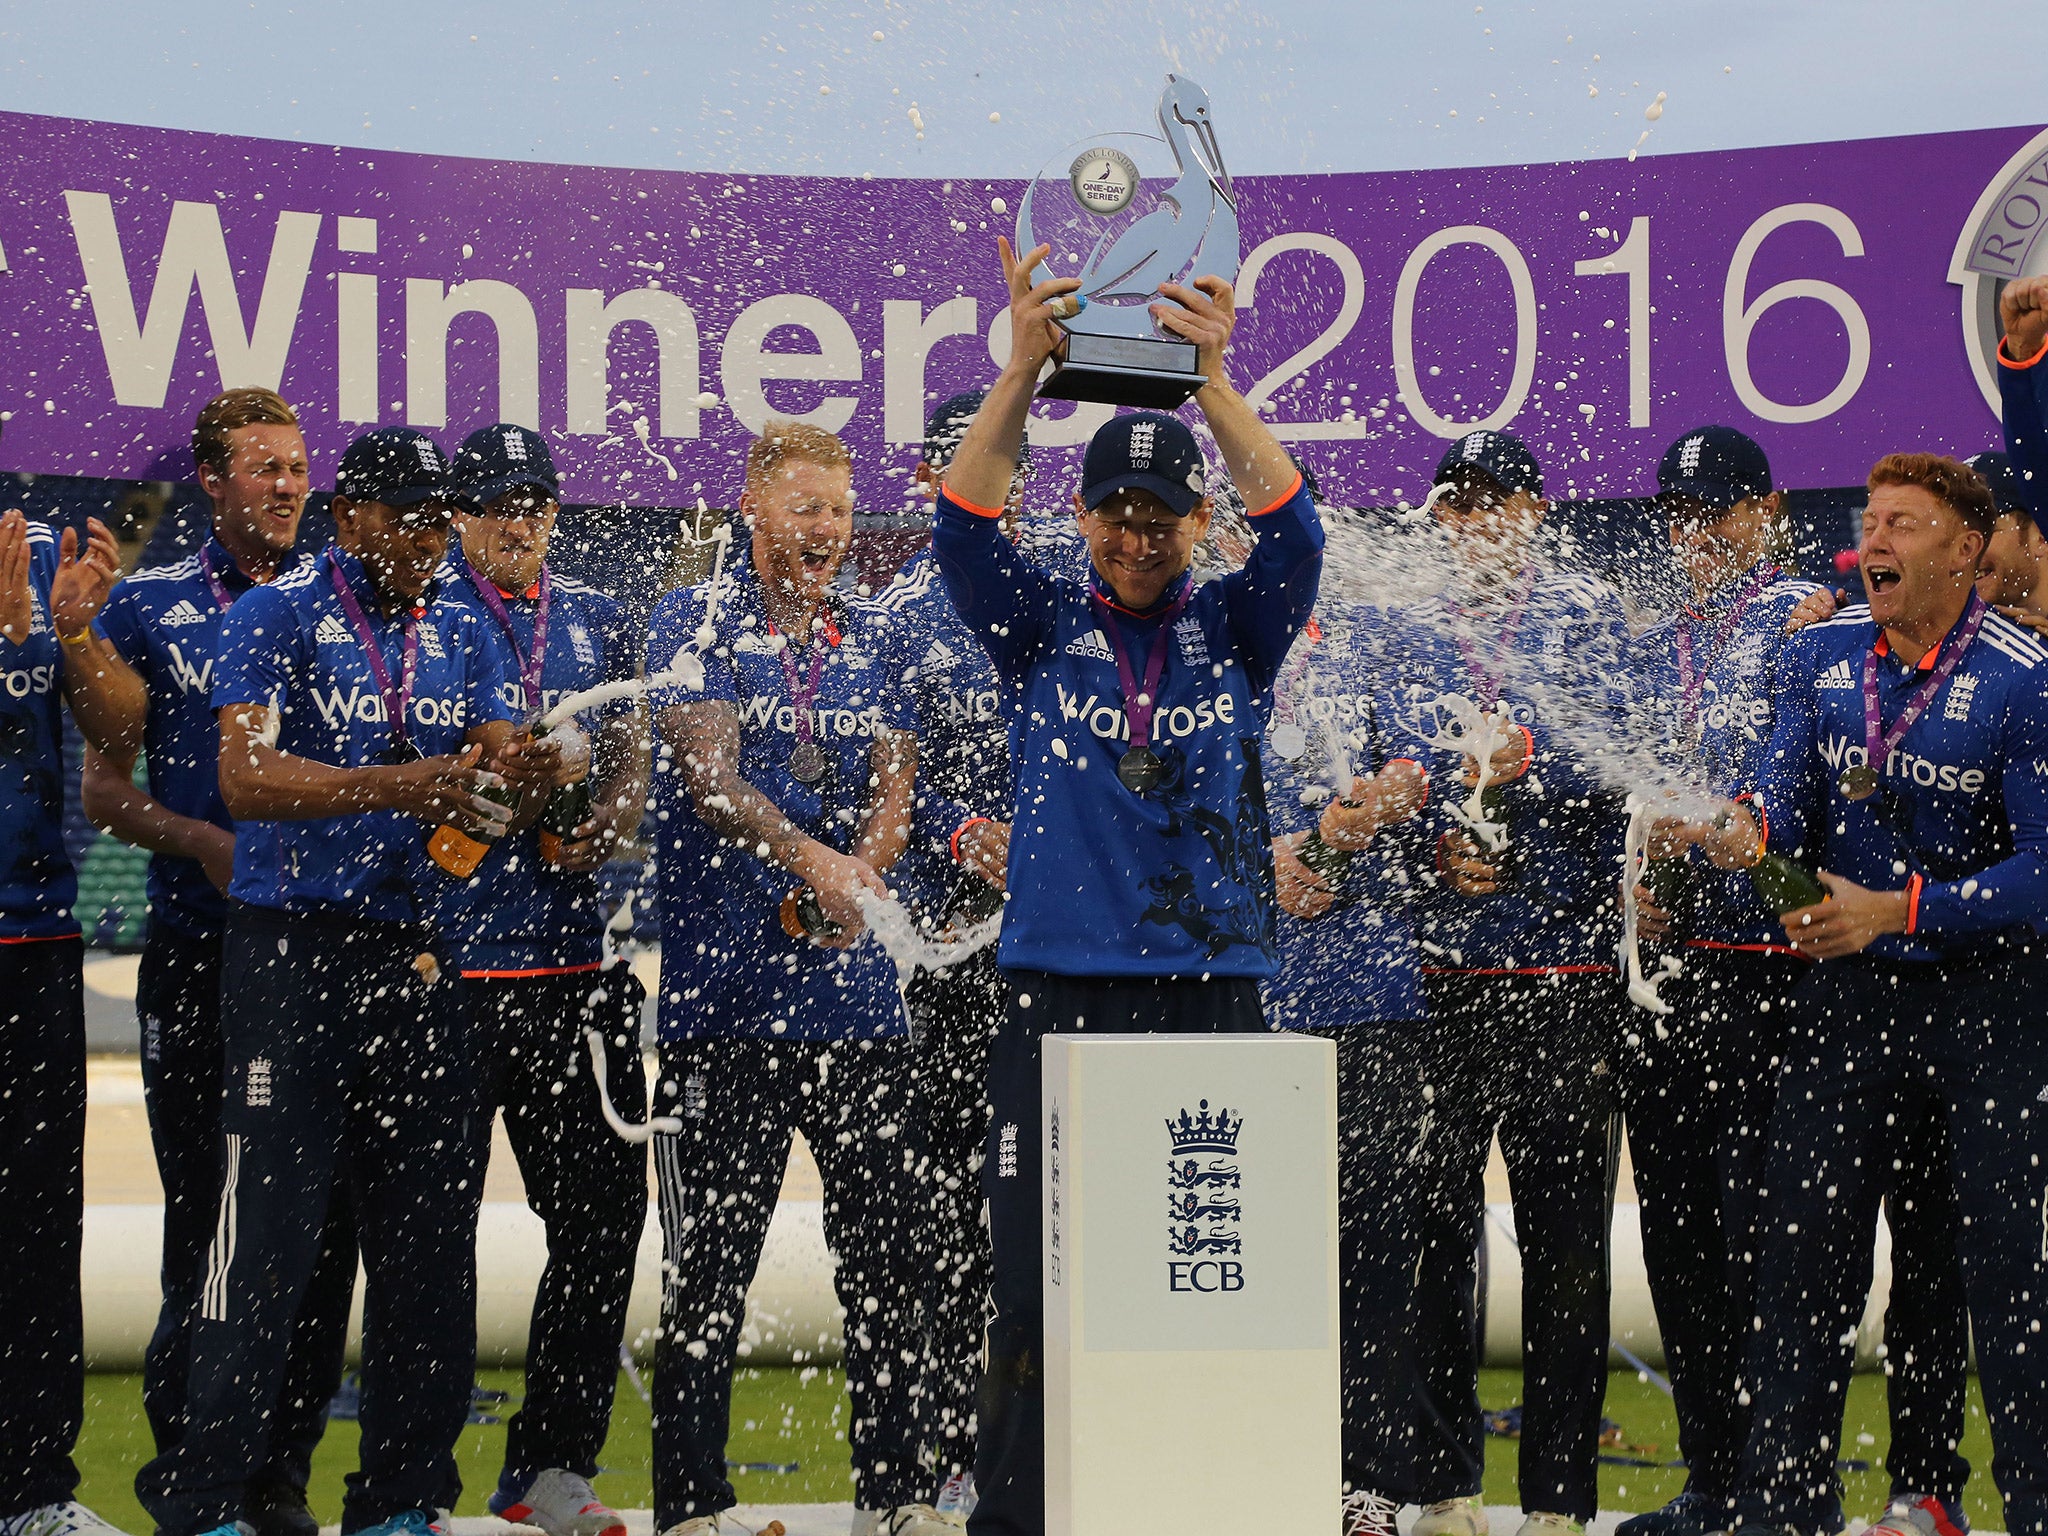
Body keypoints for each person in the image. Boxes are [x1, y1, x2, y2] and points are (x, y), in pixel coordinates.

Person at [931, 237, 1322, 1536]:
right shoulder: (1040, 621)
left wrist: (1212, 379)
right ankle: (1019, 1520)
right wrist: (1022, 371)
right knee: (1038, 1294)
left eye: (1163, 516)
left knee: (1208, 1279)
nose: (1140, 537)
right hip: (1057, 992)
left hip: (1213, 989)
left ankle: (1202, 1508)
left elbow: (1296, 524)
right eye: (1116, 513)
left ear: (1195, 523)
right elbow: (962, 517)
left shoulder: (1237, 628)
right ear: (1083, 518)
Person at [134, 427, 555, 1536]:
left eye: (437, 519)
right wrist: (414, 782)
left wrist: (523, 773)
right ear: (352, 514)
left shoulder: (459, 621)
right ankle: (204, 1498)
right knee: (264, 1241)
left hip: (419, 960)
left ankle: (403, 1500)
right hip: (289, 953)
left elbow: (495, 760)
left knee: (427, 1245)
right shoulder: (273, 613)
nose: (428, 540)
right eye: (408, 519)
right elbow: (247, 776)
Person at [1677, 453, 2048, 1536]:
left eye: (1903, 524)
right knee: (1800, 1263)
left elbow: (2041, 871)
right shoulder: (1824, 657)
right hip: (1846, 1005)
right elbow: (1780, 798)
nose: (1872, 542)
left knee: (1997, 1276)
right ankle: (1779, 1509)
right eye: (1867, 521)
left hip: (1989, 1005)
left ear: (1966, 551)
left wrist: (1902, 909)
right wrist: (1739, 832)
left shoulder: (2025, 678)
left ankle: (2021, 1505)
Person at [1622, 428, 1971, 1536]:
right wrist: (1632, 873)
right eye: (1677, 516)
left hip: (1783, 974)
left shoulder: (1804, 624)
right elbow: (1624, 798)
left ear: (1766, 511)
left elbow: (1796, 783)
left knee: (1771, 1245)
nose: (1694, 537)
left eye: (1716, 513)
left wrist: (1729, 846)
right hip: (1669, 972)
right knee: (1676, 1233)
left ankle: (1788, 1487)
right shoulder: (1657, 641)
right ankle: (1714, 1479)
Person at [644, 418, 940, 1536]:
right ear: (756, 509)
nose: (823, 531)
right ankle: (691, 1504)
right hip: (724, 1009)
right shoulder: (695, 620)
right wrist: (811, 861)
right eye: (803, 508)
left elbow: (895, 790)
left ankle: (898, 1496)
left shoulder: (874, 636)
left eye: (836, 511)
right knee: (707, 1270)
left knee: (887, 1262)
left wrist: (861, 872)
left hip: (857, 1009)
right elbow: (708, 777)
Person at [82, 387, 353, 1536]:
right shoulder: (145, 606)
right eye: (264, 469)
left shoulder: (342, 600)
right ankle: (191, 1484)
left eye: (298, 468)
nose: (289, 487)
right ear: (212, 482)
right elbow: (104, 788)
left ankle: (280, 1477)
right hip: (200, 958)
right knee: (211, 1225)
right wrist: (205, 844)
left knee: (319, 1229)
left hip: (323, 960)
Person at [1389, 431, 1629, 1536]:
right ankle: (1443, 1486)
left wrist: (1535, 768)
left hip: (1563, 980)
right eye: (1459, 506)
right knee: (1432, 1235)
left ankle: (1557, 1504)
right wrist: (1435, 839)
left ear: (1535, 513)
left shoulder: (1583, 616)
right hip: (1440, 982)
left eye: (1496, 504)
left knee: (1567, 1248)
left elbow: (1631, 762)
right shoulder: (1406, 622)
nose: (1476, 523)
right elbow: (1380, 763)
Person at [428, 424, 649, 1536]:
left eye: (534, 501)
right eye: (495, 503)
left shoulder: (601, 617)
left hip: (572, 974)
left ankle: (551, 1469)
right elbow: (463, 757)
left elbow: (630, 764)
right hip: (449, 973)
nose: (517, 521)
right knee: (427, 1227)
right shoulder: (429, 614)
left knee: (606, 1217)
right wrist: (512, 781)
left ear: (556, 511)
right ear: (459, 515)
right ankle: (409, 1482)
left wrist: (595, 825)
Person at [870, 392, 1085, 1517]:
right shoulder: (897, 613)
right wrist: (962, 831)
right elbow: (881, 775)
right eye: (965, 466)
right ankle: (956, 1454)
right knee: (953, 1212)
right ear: (929, 480)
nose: (988, 479)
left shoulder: (1068, 573)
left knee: (1074, 1202)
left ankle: (1078, 1445)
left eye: (1002, 459)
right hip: (952, 954)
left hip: (1072, 950)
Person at [1258, 595, 1433, 1536]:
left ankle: (1369, 1481)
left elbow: (1417, 768)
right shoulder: (1191, 641)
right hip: (1239, 993)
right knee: (1247, 1245)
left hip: (1367, 989)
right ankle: (1256, 1463)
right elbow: (1156, 801)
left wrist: (1365, 813)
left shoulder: (1376, 633)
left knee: (1371, 1242)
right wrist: (1267, 860)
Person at [0, 505, 148, 1536]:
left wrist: (69, 637)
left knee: (40, 1233)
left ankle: (33, 1493)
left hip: (30, 942)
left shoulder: (45, 555)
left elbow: (118, 746)